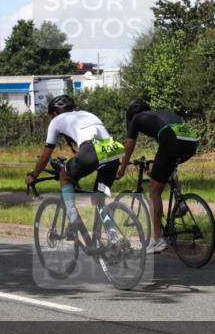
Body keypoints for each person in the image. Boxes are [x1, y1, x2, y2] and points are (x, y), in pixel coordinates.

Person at [25, 94, 125, 240]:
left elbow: (46, 154)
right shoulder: (87, 114)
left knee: (64, 176)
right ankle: (115, 239)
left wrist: (33, 175)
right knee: (99, 200)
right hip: (114, 152)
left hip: (91, 150)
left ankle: (74, 221)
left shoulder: (56, 121)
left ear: (54, 113)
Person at [115, 99, 197, 253]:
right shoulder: (160, 114)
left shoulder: (136, 120)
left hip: (171, 141)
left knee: (154, 190)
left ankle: (158, 239)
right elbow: (164, 149)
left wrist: (122, 168)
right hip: (190, 141)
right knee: (167, 168)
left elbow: (129, 147)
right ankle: (180, 202)